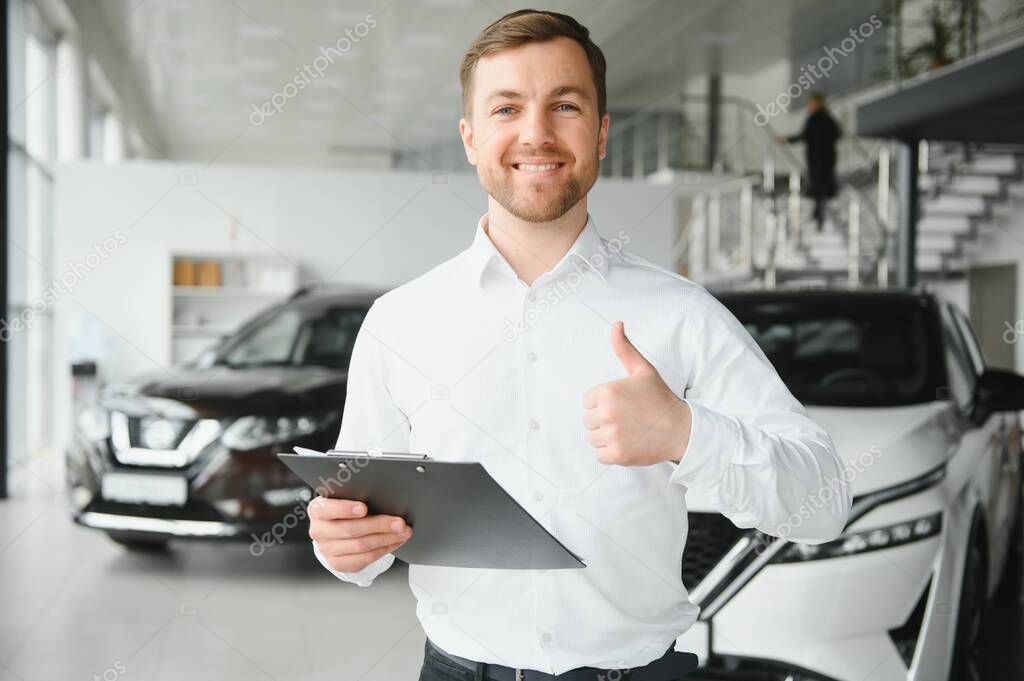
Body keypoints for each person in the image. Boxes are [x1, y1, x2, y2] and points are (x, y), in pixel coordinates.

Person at [308, 10, 851, 681]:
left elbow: (824, 502)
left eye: (564, 105)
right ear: (471, 138)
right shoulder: (399, 322)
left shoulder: (682, 315)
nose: (535, 133)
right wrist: (341, 544)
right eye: (507, 108)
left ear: (599, 133)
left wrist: (686, 432)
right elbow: (362, 524)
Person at [778, 92, 842, 232]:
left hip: (817, 159)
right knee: (822, 184)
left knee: (818, 185)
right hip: (826, 158)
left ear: (817, 104)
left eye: (812, 103)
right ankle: (819, 213)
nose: (810, 106)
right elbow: (837, 134)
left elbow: (804, 136)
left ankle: (819, 215)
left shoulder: (814, 120)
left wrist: (787, 140)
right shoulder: (828, 119)